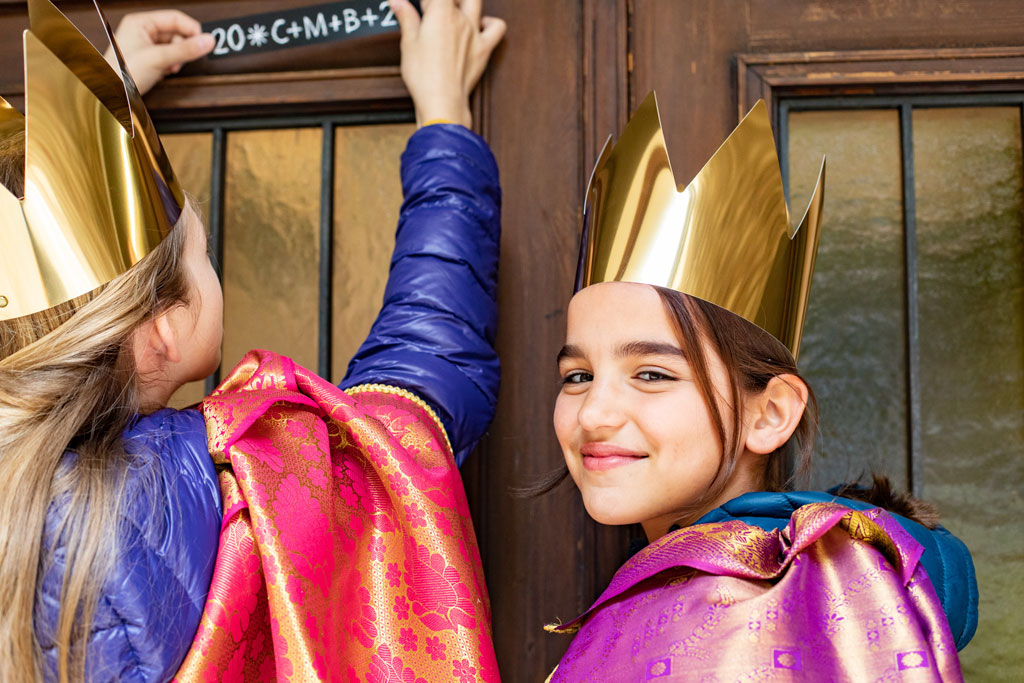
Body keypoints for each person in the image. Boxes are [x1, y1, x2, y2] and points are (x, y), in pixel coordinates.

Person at [0, 0, 505, 681]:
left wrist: (107, 100)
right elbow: (412, 395)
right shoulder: (209, 490)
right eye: (204, 254)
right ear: (165, 330)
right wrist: (445, 119)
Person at [545, 93, 977, 681]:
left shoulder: (730, 619)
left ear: (771, 413)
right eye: (578, 376)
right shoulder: (692, 590)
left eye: (652, 374)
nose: (593, 412)